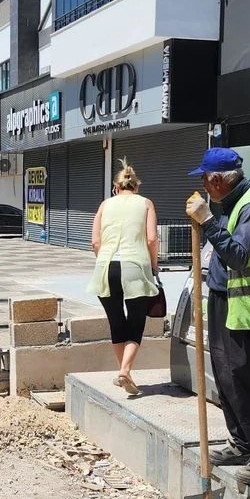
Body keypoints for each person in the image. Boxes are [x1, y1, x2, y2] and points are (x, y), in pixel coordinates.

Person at [185, 147, 250, 485]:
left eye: (203, 177)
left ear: (215, 180)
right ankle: (242, 442)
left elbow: (238, 256)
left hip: (249, 310)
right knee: (225, 378)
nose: (201, 182)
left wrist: (208, 222)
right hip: (224, 302)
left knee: (247, 381)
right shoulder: (229, 204)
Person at [86, 159, 159, 395]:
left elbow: (95, 242)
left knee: (116, 323)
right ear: (136, 187)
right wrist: (154, 266)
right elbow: (151, 239)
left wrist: (103, 259)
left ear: (116, 188)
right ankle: (125, 371)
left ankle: (124, 371)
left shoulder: (104, 205)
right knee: (135, 323)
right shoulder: (145, 203)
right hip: (134, 265)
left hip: (106, 267)